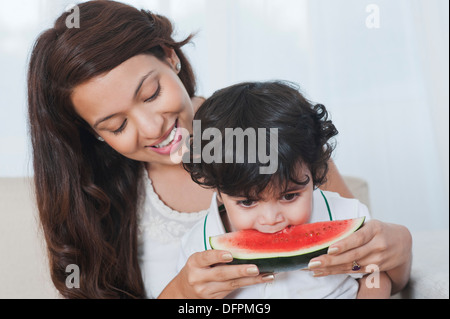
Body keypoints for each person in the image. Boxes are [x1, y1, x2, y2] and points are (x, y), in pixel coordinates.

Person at [27, 0, 412, 299]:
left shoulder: (275, 137)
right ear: (93, 134)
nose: (152, 127)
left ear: (170, 56)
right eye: (116, 125)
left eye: (151, 93)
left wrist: (399, 248)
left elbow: (365, 263)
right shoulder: (97, 195)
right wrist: (183, 292)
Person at [179, 81, 392, 298]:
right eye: (247, 202)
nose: (271, 219)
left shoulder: (347, 214)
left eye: (289, 196)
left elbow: (374, 275)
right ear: (218, 190)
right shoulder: (198, 246)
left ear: (315, 170)